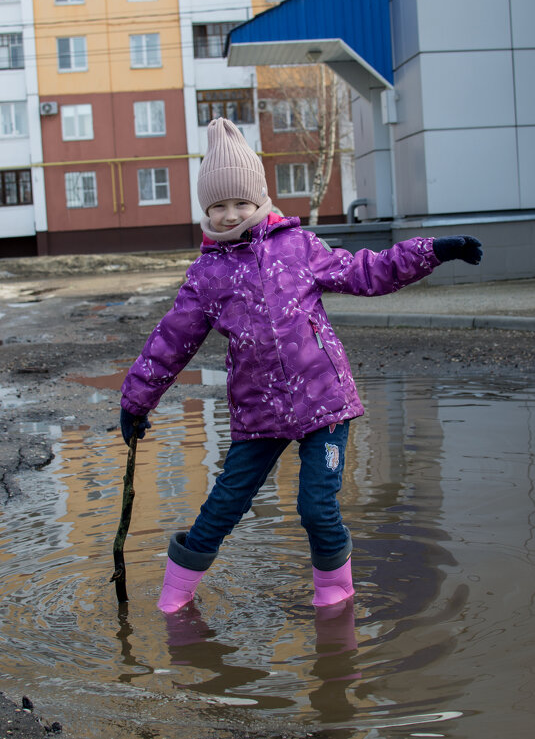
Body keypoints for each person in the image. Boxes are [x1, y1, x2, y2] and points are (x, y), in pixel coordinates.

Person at [120, 117, 482, 615]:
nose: (230, 215)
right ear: (206, 209)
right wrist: (137, 400)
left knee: (316, 507)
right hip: (258, 415)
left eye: (239, 203)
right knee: (222, 506)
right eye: (218, 206)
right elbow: (171, 340)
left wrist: (433, 250)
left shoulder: (298, 248)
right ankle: (174, 599)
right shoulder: (206, 275)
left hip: (324, 405)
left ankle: (335, 601)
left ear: (260, 200)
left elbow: (366, 272)